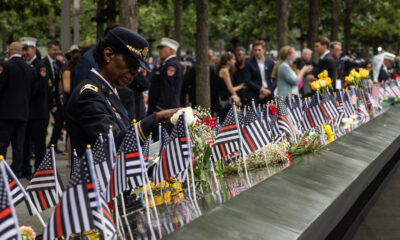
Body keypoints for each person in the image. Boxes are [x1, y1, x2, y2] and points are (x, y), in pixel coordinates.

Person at [66, 27, 177, 156]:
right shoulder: (89, 94)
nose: (135, 72)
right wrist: (156, 119)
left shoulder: (111, 91)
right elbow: (112, 144)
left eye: (138, 67)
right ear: (108, 55)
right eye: (131, 64)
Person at [20, 37, 55, 178]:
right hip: (26, 112)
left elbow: (40, 88)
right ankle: (25, 169)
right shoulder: (23, 65)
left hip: (38, 112)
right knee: (25, 143)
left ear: (34, 49)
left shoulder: (40, 67)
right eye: (23, 50)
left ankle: (39, 172)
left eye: (27, 49)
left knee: (39, 144)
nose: (25, 53)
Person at [0, 42, 35, 177]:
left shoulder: (5, 66)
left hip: (6, 113)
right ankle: (16, 171)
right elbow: (33, 91)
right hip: (23, 113)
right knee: (18, 146)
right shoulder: (30, 69)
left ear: (9, 51)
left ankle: (2, 170)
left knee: (2, 144)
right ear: (21, 52)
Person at [147, 37, 183, 115]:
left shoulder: (171, 65)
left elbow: (168, 89)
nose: (159, 51)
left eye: (162, 48)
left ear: (171, 50)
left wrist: (159, 109)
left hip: (165, 109)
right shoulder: (166, 64)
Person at [43, 41, 64, 153]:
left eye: (57, 50)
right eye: (54, 50)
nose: (56, 52)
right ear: (48, 50)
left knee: (60, 119)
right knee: (44, 122)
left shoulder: (58, 64)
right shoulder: (43, 63)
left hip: (55, 98)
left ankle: (52, 144)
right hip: (45, 99)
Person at [244, 40, 276, 105]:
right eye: (255, 50)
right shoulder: (249, 63)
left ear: (264, 50)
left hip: (268, 93)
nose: (257, 52)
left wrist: (269, 90)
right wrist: (261, 90)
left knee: (271, 113)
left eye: (259, 50)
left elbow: (276, 79)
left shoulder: (270, 62)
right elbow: (247, 80)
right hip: (255, 93)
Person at [216, 52, 244, 121]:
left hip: (225, 99)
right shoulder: (224, 71)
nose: (235, 61)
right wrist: (237, 99)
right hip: (225, 101)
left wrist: (241, 86)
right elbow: (230, 88)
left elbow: (228, 87)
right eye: (233, 59)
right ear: (228, 61)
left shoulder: (224, 70)